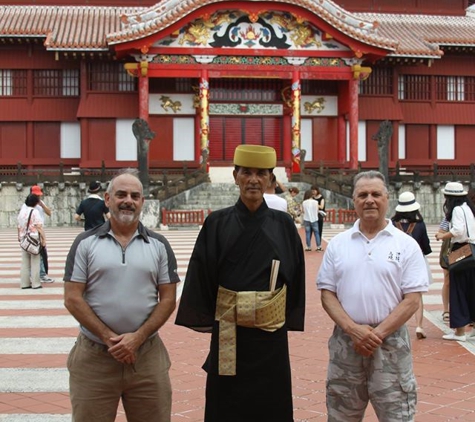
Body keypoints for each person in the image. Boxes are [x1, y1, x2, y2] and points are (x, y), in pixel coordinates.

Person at [175, 145, 306, 422]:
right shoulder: (217, 223)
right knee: (228, 403)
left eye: (261, 173)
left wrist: (281, 310)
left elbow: (294, 276)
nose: (254, 180)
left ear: (271, 180)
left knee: (271, 402)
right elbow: (203, 275)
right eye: (247, 172)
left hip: (270, 334)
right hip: (229, 333)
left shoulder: (283, 224)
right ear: (236, 176)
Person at [63, 169, 180, 422]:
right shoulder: (85, 243)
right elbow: (72, 297)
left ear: (142, 202)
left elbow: (169, 299)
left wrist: (137, 338)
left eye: (135, 196)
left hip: (147, 356)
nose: (128, 200)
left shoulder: (159, 245)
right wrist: (110, 339)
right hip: (94, 356)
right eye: (121, 194)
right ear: (107, 199)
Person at [317, 170, 429, 421]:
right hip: (346, 341)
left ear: (387, 198)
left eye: (376, 194)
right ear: (353, 200)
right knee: (341, 414)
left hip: (390, 343)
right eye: (363, 194)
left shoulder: (406, 244)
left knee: (397, 413)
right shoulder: (338, 244)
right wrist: (353, 330)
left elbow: (412, 299)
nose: (369, 200)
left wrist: (376, 334)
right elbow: (327, 294)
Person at [435, 181, 475, 341]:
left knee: (457, 290)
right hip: (472, 249)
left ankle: (459, 332)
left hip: (461, 249)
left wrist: (442, 236)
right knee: (471, 289)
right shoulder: (468, 208)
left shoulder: (457, 210)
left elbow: (458, 230)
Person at [391, 191, 432, 339]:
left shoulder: (392, 223)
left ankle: (394, 325)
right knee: (416, 295)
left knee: (394, 295)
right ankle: (419, 326)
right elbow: (426, 247)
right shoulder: (420, 224)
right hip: (416, 262)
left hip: (396, 261)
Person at [20, 185, 54, 283]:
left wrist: (42, 205)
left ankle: (36, 276)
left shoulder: (40, 204)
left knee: (40, 255)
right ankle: (41, 275)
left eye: (39, 195)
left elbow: (49, 213)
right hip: (33, 234)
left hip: (34, 233)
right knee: (38, 255)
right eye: (36, 195)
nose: (38, 197)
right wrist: (44, 239)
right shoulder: (26, 206)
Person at [17, 194, 46, 290]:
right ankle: (36, 283)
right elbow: (39, 226)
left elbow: (19, 226)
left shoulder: (21, 213)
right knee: (35, 261)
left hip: (24, 239)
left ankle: (24, 283)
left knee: (25, 262)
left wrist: (19, 237)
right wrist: (43, 239)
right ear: (35, 202)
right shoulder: (35, 212)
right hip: (33, 239)